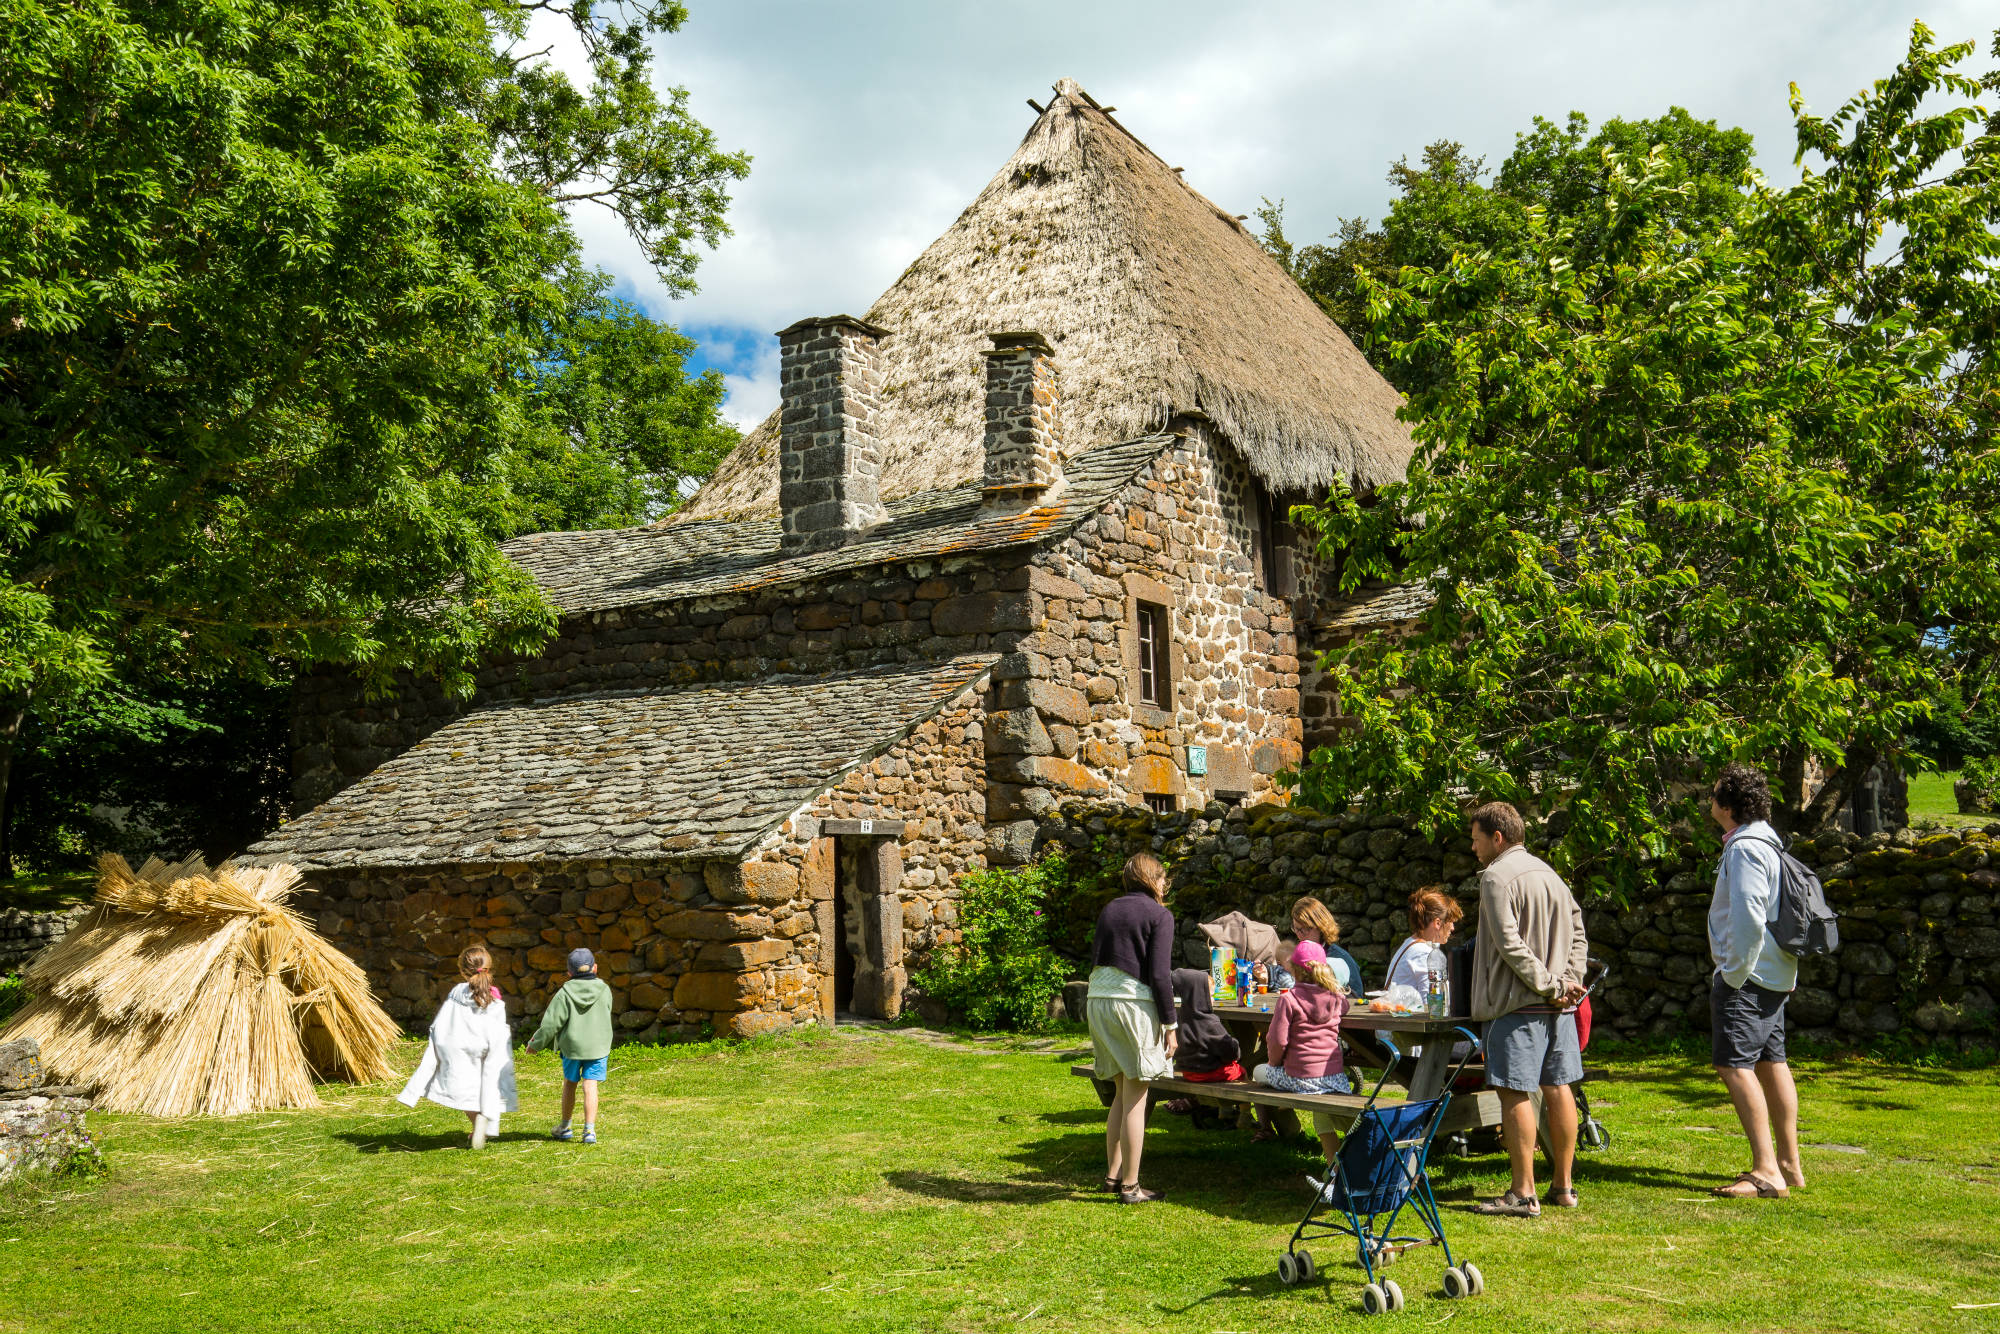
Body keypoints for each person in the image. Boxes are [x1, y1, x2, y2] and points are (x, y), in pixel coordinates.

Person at [1465, 802, 1588, 1218]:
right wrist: (1568, 981)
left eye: (1476, 837)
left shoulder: (1497, 877)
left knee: (1515, 1092)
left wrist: (1552, 984)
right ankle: (1564, 1187)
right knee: (1559, 1088)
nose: (1473, 845)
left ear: (1497, 837)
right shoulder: (1550, 874)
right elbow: (1579, 933)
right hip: (1558, 1006)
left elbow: (1509, 944)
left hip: (1518, 1005)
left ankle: (1522, 1192)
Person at [1707, 762, 1805, 1199]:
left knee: (1734, 1065)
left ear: (1728, 805)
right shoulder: (1769, 842)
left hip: (1750, 975)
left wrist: (1733, 972)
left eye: (1713, 796)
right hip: (1775, 973)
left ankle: (1766, 1170)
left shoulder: (1745, 848)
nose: (1708, 802)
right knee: (1771, 1061)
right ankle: (1789, 1163)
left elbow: (1748, 915)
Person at [1087, 852, 1178, 1204]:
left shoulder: (1110, 908)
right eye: (1163, 879)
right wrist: (1171, 1024)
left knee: (1122, 1091)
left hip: (1098, 999)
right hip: (1132, 1004)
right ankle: (1131, 1186)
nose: (1164, 885)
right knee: (1138, 1097)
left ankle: (1113, 1176)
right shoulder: (1160, 915)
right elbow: (1158, 975)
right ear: (1154, 880)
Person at [397, 944, 519, 1148]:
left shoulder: (456, 992)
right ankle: (484, 1121)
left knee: (464, 1089)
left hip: (458, 1046)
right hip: (484, 1045)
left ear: (463, 971)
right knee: (485, 1085)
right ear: (489, 968)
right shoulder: (493, 995)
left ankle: (477, 1122)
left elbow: (445, 1021)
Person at [1251, 939, 1352, 1171]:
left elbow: (1276, 1041)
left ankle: (1275, 1122)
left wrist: (1274, 1064)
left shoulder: (1289, 999)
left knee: (1257, 1071)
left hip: (1298, 1079)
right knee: (1321, 1114)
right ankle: (1335, 1171)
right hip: (1334, 1077)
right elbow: (1345, 1006)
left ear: (1294, 970)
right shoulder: (1337, 998)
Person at [524, 947, 614, 1145]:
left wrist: (535, 1044)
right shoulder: (604, 989)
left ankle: (565, 1127)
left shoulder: (564, 993)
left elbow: (550, 1024)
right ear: (595, 968)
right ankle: (589, 1131)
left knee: (570, 1084)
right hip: (598, 1047)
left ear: (569, 973)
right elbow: (607, 1011)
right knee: (590, 1085)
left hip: (572, 1048)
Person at [1380, 887, 1468, 1057]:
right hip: (1412, 1041)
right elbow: (1435, 1004)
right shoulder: (1424, 953)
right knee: (1489, 1043)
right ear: (1437, 923)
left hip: (1396, 1034)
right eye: (1451, 921)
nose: (1453, 928)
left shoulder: (1409, 945)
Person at [1289, 896, 1366, 995]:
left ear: (1321, 926)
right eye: (1296, 928)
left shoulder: (1340, 958)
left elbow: (1356, 996)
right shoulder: (1300, 953)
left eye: (1305, 929)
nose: (1299, 934)